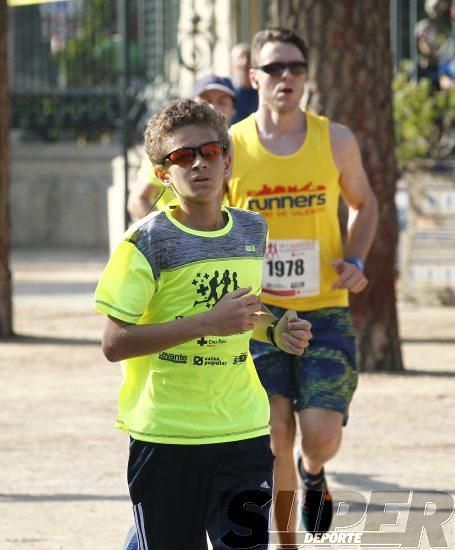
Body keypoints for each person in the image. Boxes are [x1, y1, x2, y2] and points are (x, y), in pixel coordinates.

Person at [94, 98, 313, 550]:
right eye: (181, 156)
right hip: (167, 436)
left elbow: (242, 312)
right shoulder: (145, 243)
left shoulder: (252, 231)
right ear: (162, 174)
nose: (198, 163)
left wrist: (274, 330)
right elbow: (115, 342)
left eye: (209, 151)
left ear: (227, 161)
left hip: (243, 432)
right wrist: (207, 323)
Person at [227, 27, 378, 546]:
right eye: (272, 68)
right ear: (254, 77)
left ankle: (314, 471)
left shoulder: (334, 139)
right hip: (257, 313)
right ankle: (286, 542)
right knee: (275, 434)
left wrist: (355, 255)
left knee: (317, 435)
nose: (284, 77)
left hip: (324, 309)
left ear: (308, 77)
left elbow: (365, 203)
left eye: (294, 67)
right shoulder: (231, 146)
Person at [127, 75, 237, 220]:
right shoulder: (169, 146)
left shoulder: (242, 143)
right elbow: (137, 201)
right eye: (183, 157)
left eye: (222, 101)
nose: (213, 106)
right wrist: (168, 233)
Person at [230, 43, 259, 124]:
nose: (245, 62)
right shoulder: (225, 90)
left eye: (248, 58)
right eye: (240, 57)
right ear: (232, 61)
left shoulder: (263, 91)